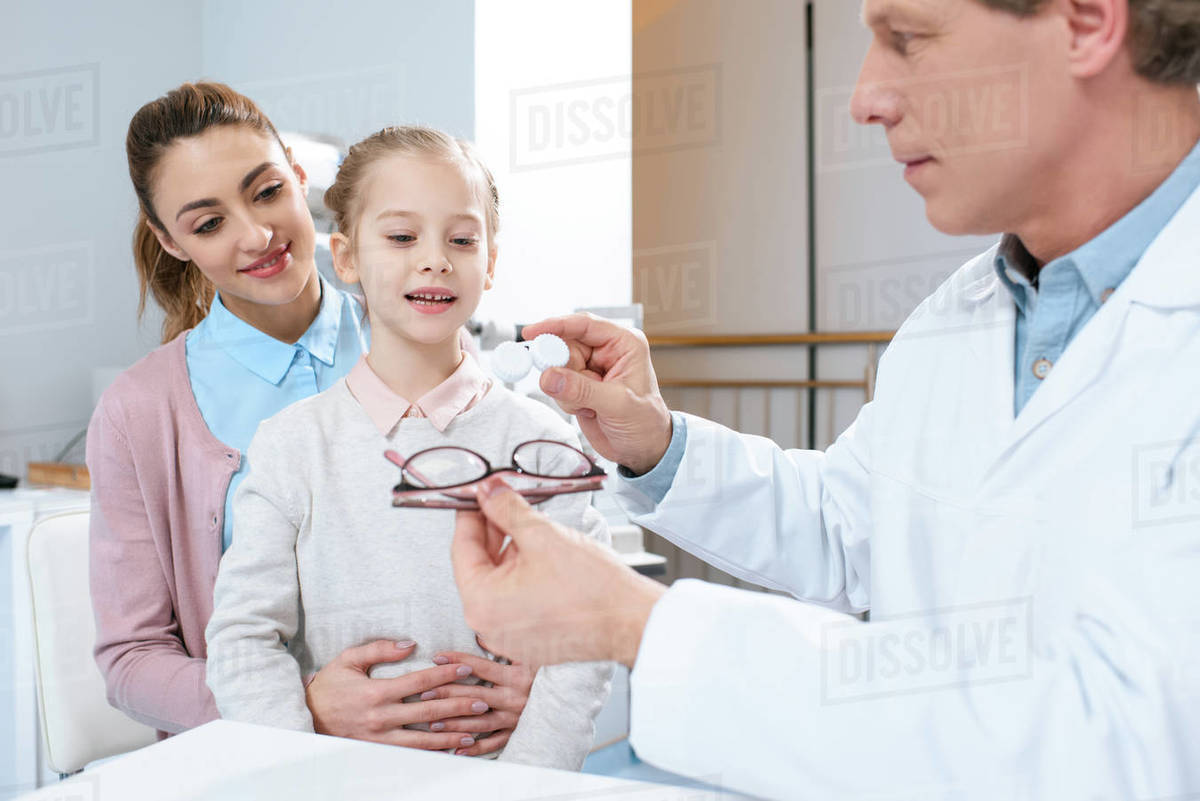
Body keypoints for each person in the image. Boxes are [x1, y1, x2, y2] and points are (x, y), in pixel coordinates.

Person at [448, 0, 1200, 798]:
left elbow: (1130, 743)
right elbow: (851, 524)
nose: (864, 97)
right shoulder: (965, 311)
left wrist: (638, 624)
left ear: (1085, 22)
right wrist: (657, 445)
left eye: (907, 38)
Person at [88, 84, 531, 752]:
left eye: (266, 191)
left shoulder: (432, 338)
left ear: (298, 174)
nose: (257, 234)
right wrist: (297, 707)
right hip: (257, 763)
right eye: (208, 223)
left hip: (452, 757)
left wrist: (531, 677)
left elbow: (512, 563)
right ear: (170, 241)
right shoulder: (140, 412)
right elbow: (132, 660)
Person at [203, 125, 613, 767]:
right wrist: (299, 772)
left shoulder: (547, 446)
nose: (435, 259)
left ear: (492, 262)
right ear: (345, 257)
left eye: (462, 239)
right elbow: (242, 637)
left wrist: (526, 781)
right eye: (401, 237)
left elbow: (583, 638)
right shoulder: (291, 446)